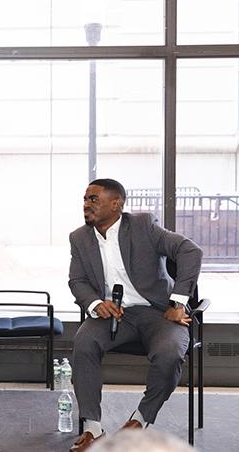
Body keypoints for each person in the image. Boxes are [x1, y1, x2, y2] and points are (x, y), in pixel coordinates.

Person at [67, 178, 202, 452]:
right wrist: (95, 303)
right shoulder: (79, 238)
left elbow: (190, 250)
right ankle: (93, 428)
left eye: (93, 199)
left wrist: (178, 302)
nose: (86, 205)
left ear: (116, 204)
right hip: (114, 314)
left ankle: (139, 421)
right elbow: (77, 280)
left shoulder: (143, 226)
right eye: (84, 199)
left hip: (158, 313)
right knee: (83, 344)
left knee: (170, 352)